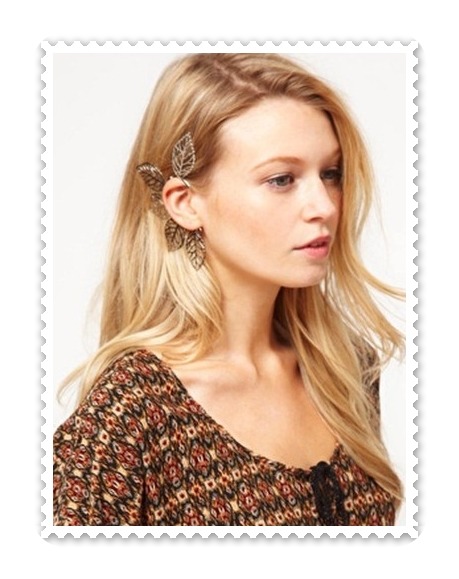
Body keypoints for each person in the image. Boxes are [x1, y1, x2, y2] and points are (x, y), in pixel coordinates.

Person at [53, 52, 405, 526]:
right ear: (185, 203)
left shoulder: (346, 370)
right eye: (281, 179)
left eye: (331, 173)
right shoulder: (131, 413)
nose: (323, 205)